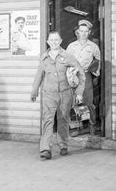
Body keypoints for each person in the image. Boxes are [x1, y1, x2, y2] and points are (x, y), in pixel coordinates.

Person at [30, 31, 85, 160]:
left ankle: (63, 145)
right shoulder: (44, 57)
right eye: (51, 40)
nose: (54, 42)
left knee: (63, 119)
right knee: (47, 120)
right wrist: (34, 91)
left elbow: (81, 73)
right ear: (48, 42)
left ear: (60, 41)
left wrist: (79, 92)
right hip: (48, 94)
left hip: (65, 94)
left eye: (56, 40)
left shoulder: (68, 56)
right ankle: (45, 149)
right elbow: (39, 75)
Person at [66, 20, 101, 136]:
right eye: (81, 31)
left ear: (89, 32)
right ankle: (77, 127)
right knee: (74, 102)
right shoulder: (71, 46)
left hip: (85, 75)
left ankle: (92, 125)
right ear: (77, 32)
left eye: (86, 31)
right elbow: (66, 61)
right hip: (73, 75)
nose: (84, 33)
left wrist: (95, 75)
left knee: (88, 102)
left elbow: (98, 61)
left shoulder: (93, 46)